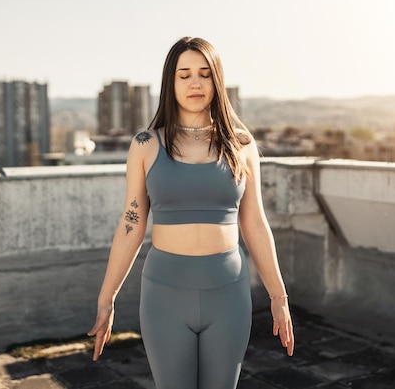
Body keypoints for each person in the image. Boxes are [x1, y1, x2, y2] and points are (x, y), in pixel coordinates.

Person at [88, 36, 294, 389]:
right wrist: (107, 298)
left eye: (204, 73)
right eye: (184, 75)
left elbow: (256, 224)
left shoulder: (241, 145)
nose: (195, 83)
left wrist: (279, 297)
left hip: (228, 294)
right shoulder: (145, 145)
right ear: (171, 83)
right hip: (164, 295)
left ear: (217, 81)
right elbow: (131, 225)